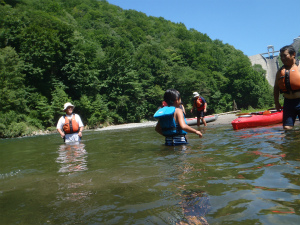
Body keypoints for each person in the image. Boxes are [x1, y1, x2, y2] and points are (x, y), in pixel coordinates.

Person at [274, 45, 300, 130]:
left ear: (293, 54)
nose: (282, 58)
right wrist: (277, 102)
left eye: (285, 55)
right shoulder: (280, 72)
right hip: (288, 103)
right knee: (287, 128)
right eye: (281, 56)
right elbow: (276, 88)